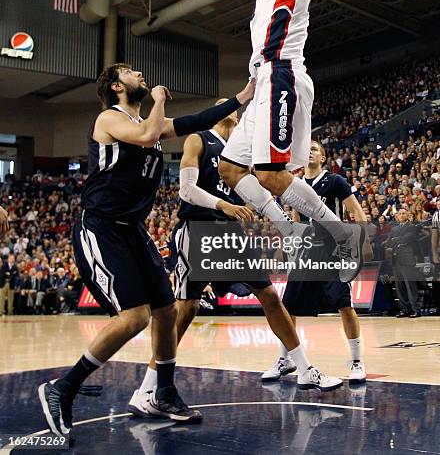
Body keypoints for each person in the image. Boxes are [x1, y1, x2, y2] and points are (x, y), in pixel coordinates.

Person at [38, 63, 255, 437]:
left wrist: (241, 98)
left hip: (132, 230)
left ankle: (162, 393)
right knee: (135, 317)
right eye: (130, 72)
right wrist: (155, 99)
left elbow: (194, 120)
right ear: (116, 86)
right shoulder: (110, 118)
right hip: (101, 226)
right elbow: (146, 132)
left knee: (167, 310)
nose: (139, 74)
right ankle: (63, 389)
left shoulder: (149, 125)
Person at [128, 106, 342, 417]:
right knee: (186, 308)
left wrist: (285, 223)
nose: (237, 113)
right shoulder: (198, 140)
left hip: (230, 233)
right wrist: (225, 205)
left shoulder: (242, 154)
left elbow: (264, 191)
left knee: (269, 294)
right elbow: (186, 190)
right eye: (231, 107)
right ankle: (148, 388)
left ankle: (306, 368)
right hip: (199, 228)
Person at [214, 0, 364, 283]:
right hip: (263, 81)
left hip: (284, 77)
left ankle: (339, 231)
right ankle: (292, 233)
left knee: (269, 174)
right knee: (230, 168)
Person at [262, 141, 372, 384]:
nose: (310, 151)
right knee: (287, 306)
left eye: (315, 149)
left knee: (344, 304)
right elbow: (294, 221)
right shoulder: (294, 182)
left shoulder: (335, 181)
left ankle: (356, 360)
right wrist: (285, 246)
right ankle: (286, 359)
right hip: (306, 251)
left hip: (333, 250)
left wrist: (365, 241)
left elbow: (355, 210)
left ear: (322, 157)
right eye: (307, 148)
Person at [386, 208, 421, 318]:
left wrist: (396, 240)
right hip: (396, 259)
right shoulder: (394, 228)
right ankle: (405, 309)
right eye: (399, 214)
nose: (401, 215)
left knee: (410, 285)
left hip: (407, 258)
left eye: (403, 213)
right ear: (397, 216)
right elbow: (388, 241)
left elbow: (408, 238)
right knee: (400, 286)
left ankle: (416, 309)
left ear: (408, 215)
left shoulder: (411, 226)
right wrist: (396, 241)